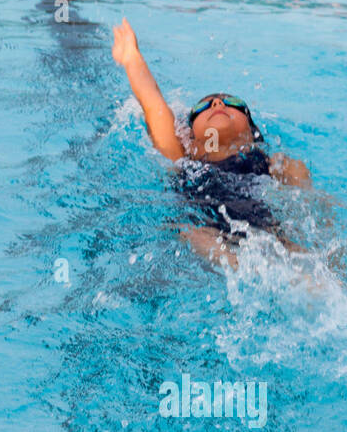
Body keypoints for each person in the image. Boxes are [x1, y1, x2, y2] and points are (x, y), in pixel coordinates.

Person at [112, 18, 312, 269]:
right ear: (190, 133)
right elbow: (153, 104)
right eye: (204, 106)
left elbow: (304, 198)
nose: (218, 104)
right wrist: (132, 58)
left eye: (232, 103)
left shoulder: (270, 162)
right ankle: (244, 270)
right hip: (206, 228)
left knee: (299, 252)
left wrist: (294, 175)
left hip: (266, 228)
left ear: (251, 132)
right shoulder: (183, 156)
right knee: (189, 232)